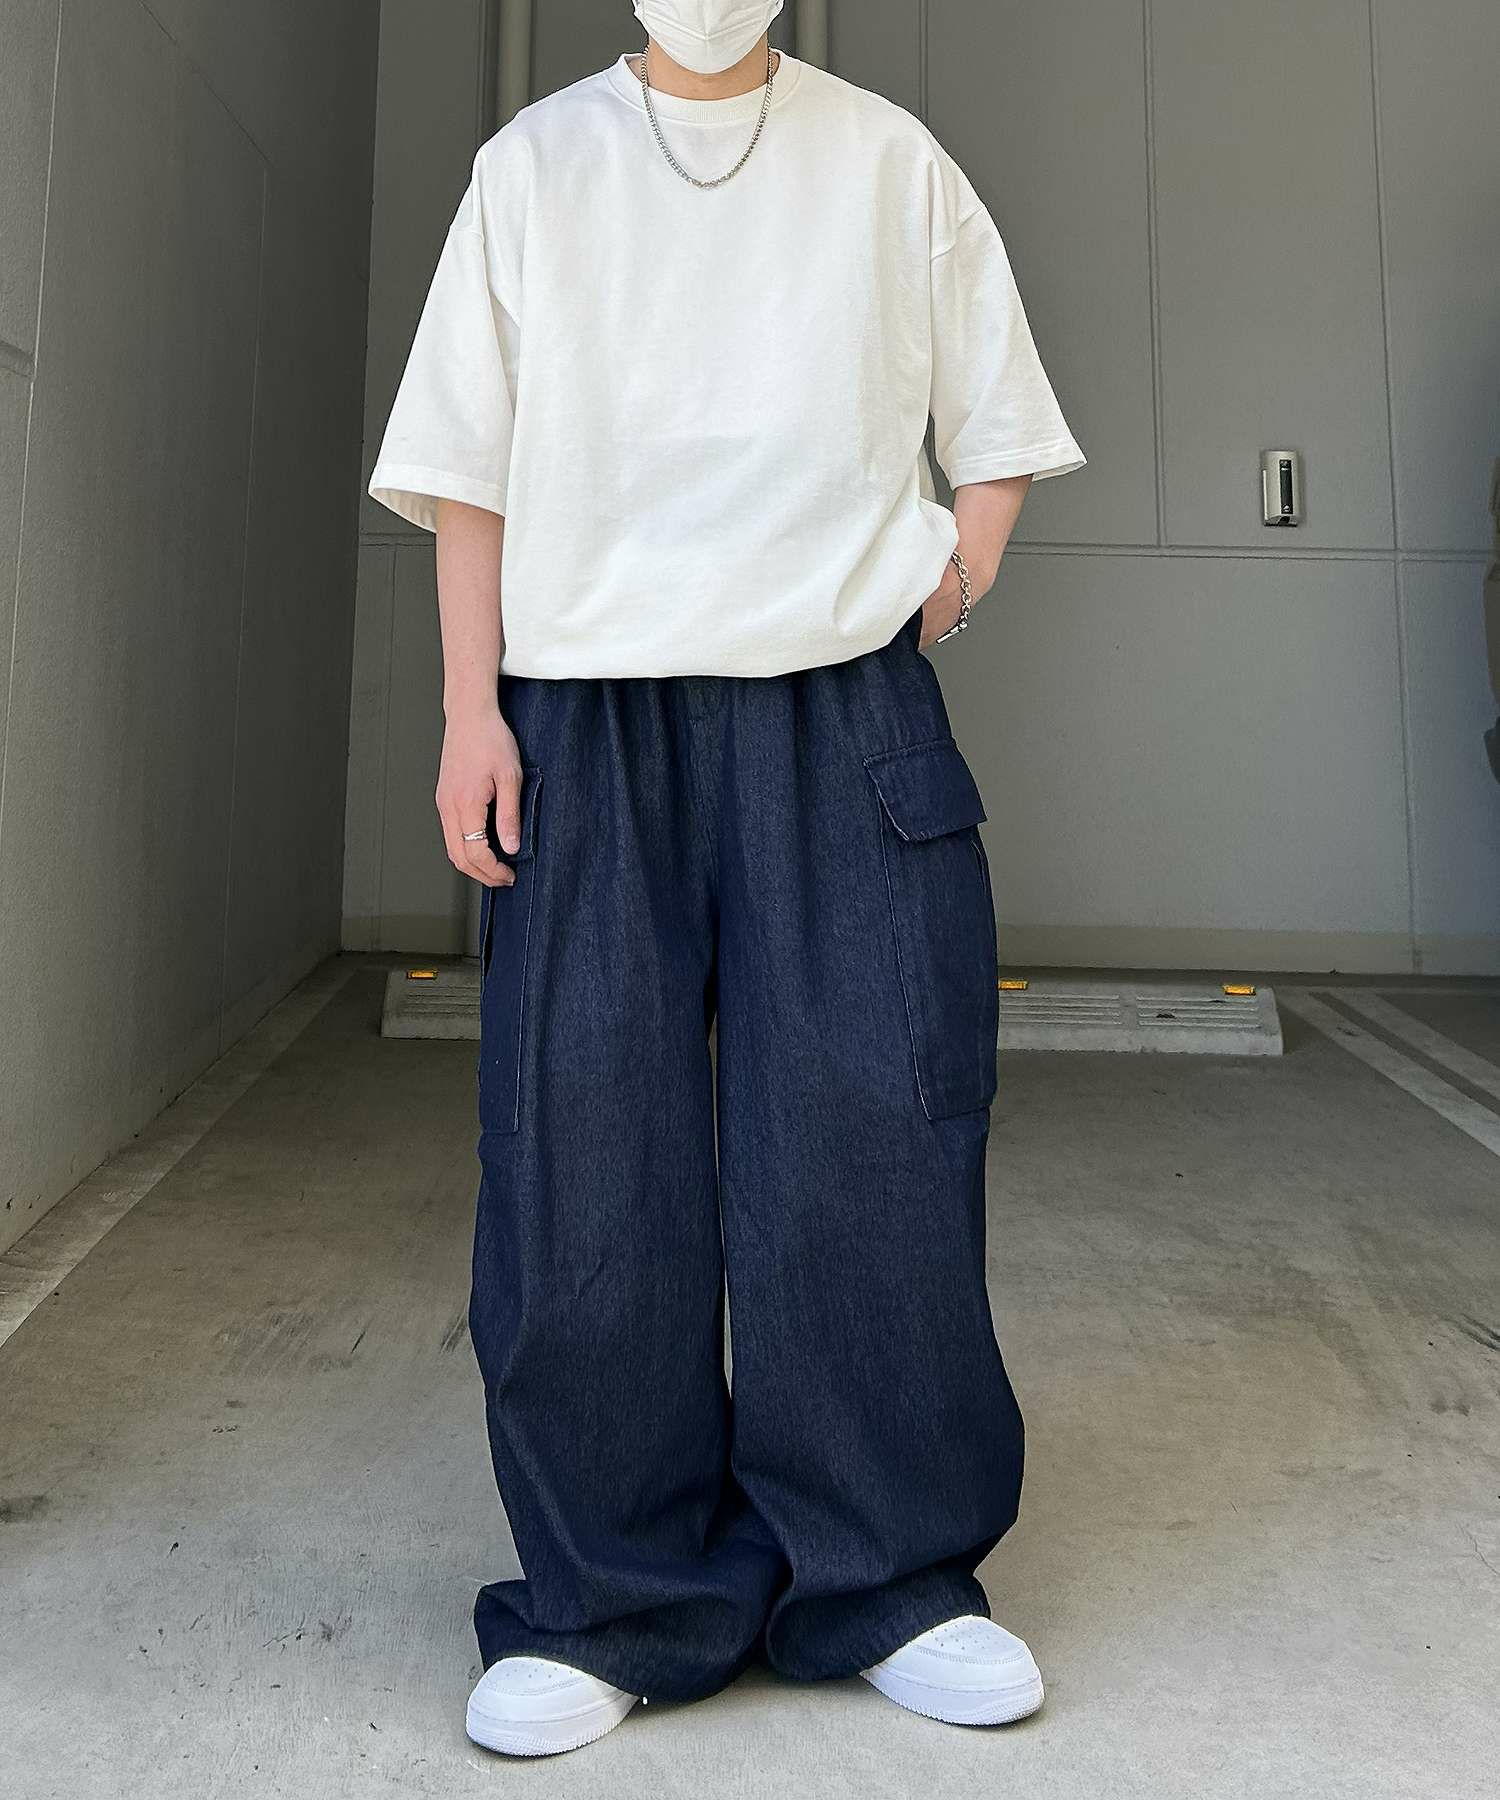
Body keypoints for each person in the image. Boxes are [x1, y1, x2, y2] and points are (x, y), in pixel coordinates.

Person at [369, 0, 1086, 1758]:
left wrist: (938, 593)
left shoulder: (889, 161)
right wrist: (470, 710)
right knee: (583, 1145)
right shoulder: (535, 166)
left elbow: (998, 427)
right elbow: (466, 471)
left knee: (874, 1130)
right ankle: (609, 1598)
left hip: (840, 706)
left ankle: (895, 1576)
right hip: (585, 709)